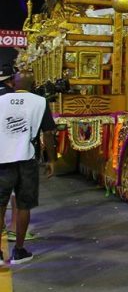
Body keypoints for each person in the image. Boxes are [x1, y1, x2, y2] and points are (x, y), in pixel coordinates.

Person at [0, 67, 57, 266]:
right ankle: (19, 250)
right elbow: (48, 133)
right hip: (27, 160)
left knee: (0, 205)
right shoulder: (40, 102)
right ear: (33, 85)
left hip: (2, 160)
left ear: (13, 84)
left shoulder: (0, 100)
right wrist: (51, 160)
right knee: (24, 205)